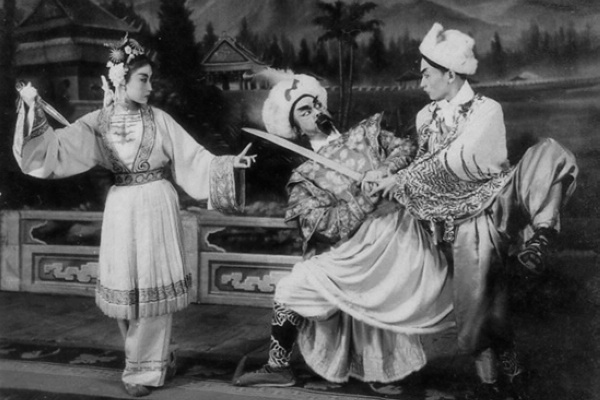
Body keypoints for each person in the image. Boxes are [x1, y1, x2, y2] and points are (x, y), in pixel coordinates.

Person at [13, 35, 255, 397]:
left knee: (153, 291)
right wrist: (32, 111)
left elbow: (193, 157)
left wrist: (228, 164)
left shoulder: (160, 120)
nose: (150, 87)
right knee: (126, 293)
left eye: (151, 79)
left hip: (156, 203)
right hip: (122, 207)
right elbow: (57, 150)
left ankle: (145, 370)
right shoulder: (97, 122)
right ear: (120, 80)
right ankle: (148, 359)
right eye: (143, 79)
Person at [371, 23, 578, 398]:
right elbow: (423, 161)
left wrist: (401, 180)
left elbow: (461, 160)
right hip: (444, 219)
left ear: (450, 74)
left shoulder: (487, 110)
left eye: (427, 74)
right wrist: (387, 177)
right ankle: (501, 377)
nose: (422, 82)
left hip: (490, 211)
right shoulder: (425, 116)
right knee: (481, 303)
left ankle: (540, 239)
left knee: (549, 154)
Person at [234, 73, 454, 389]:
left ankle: (385, 373)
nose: (316, 112)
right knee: (290, 288)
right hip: (352, 251)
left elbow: (406, 149)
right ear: (296, 128)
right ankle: (277, 367)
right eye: (305, 112)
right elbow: (324, 225)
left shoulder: (366, 134)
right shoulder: (305, 177)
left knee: (383, 295)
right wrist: (364, 198)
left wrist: (384, 170)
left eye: (316, 105)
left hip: (397, 238)